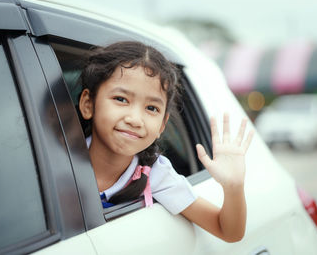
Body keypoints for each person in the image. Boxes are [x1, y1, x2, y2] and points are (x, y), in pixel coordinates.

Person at [77, 41, 254, 242]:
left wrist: (233, 187)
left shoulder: (157, 174)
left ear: (162, 126)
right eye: (121, 99)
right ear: (88, 104)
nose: (135, 119)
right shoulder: (55, 156)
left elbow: (228, 231)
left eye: (151, 108)